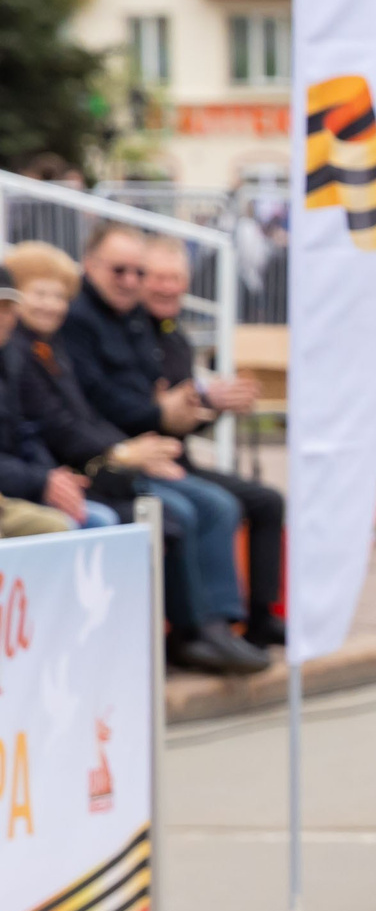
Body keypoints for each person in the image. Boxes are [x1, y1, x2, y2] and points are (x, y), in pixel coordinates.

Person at [64, 232, 289, 647]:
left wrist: (205, 407)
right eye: (127, 272)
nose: (138, 281)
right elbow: (107, 406)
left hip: (159, 457)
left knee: (259, 501)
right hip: (120, 462)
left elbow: (171, 417)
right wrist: (169, 413)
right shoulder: (87, 322)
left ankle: (241, 620)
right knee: (195, 508)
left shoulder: (165, 334)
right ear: (89, 266)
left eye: (170, 278)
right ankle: (195, 632)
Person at [3, 244, 221, 654]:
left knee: (184, 510)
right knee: (128, 518)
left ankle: (193, 630)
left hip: (73, 469)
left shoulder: (44, 351)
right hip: (64, 474)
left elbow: (62, 422)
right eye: (39, 294)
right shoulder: (22, 353)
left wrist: (132, 447)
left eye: (58, 296)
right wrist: (118, 454)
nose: (50, 306)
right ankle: (115, 647)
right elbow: (56, 427)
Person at [0, 270, 76, 537]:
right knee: (62, 526)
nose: (3, 316)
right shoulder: (20, 352)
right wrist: (42, 480)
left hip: (20, 485)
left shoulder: (13, 355)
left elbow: (27, 431)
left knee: (94, 519)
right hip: (14, 490)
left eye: (8, 308)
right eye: (41, 294)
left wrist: (51, 476)